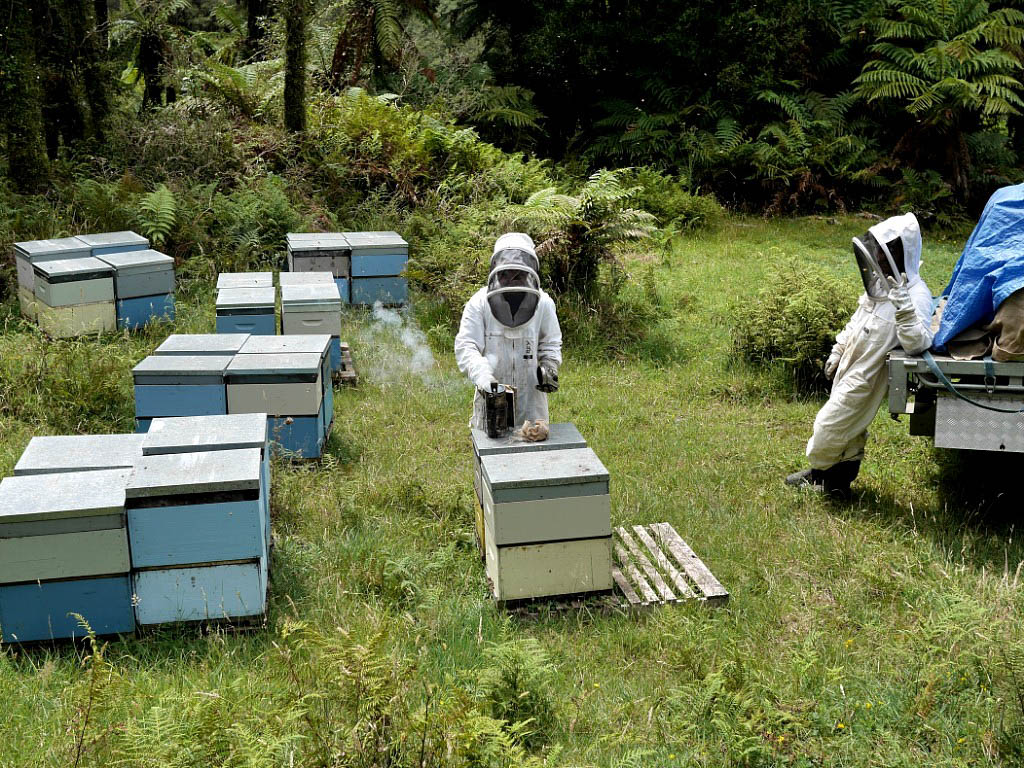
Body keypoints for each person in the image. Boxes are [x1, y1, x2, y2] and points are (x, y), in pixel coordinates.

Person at [786, 212, 934, 496]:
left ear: (902, 252)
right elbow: (858, 320)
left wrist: (904, 307)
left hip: (868, 376)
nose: (878, 256)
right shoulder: (880, 284)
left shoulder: (917, 295)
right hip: (850, 364)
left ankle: (819, 474)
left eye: (885, 251)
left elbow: (917, 343)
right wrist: (839, 349)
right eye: (878, 249)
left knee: (828, 426)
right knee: (849, 432)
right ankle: (838, 486)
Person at [454, 233, 563, 430]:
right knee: (491, 457)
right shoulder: (479, 303)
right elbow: (466, 346)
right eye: (505, 274)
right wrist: (486, 380)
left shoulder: (544, 304)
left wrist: (549, 366)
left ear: (529, 273)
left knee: (535, 457)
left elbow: (551, 343)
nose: (511, 279)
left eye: (518, 274)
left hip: (532, 405)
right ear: (496, 272)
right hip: (491, 403)